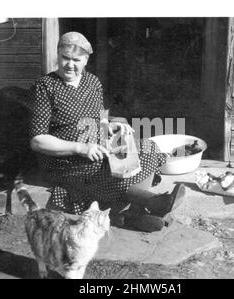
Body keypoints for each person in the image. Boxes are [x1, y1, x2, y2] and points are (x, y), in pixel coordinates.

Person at [29, 31, 186, 232]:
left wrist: (110, 126)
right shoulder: (45, 87)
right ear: (57, 56)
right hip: (66, 160)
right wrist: (81, 148)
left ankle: (132, 214)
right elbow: (38, 140)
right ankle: (152, 204)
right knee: (106, 172)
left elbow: (100, 118)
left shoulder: (92, 82)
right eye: (65, 58)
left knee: (148, 150)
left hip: (99, 145)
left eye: (76, 60)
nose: (70, 65)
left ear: (85, 60)